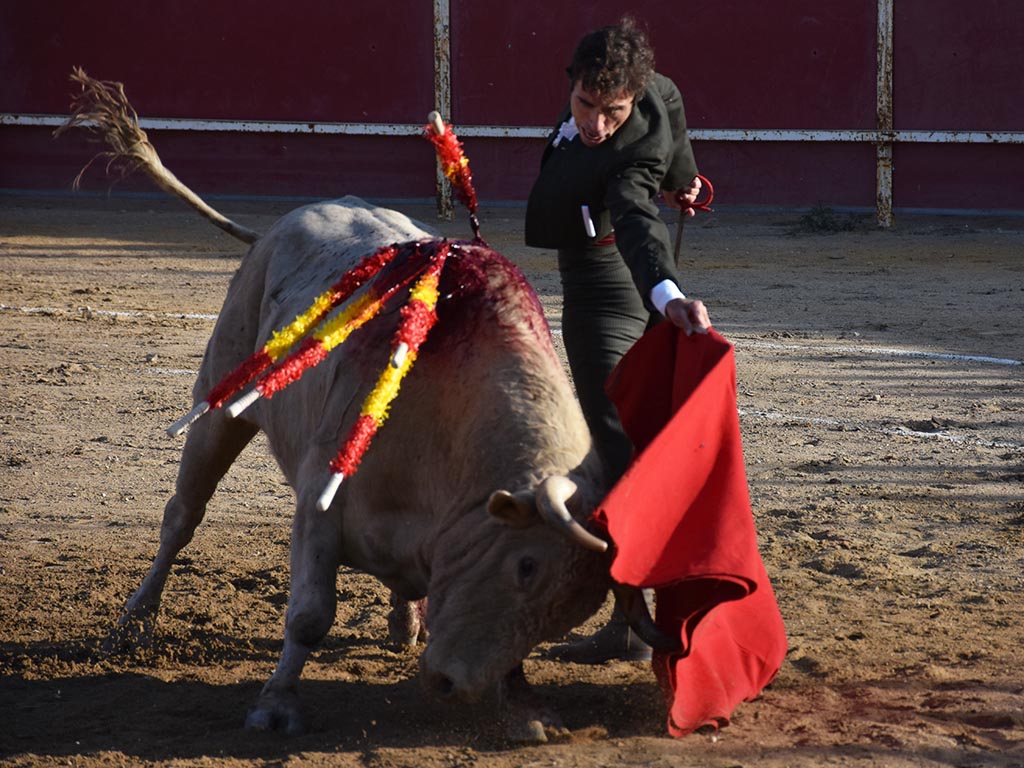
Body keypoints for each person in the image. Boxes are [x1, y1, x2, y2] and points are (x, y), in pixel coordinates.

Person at [525, 17, 711, 663]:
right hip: (611, 277)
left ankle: (631, 624)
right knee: (634, 439)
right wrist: (683, 173)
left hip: (606, 288)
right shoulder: (650, 86)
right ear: (573, 82)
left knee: (617, 447)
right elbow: (674, 99)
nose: (596, 125)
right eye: (585, 105)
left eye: (613, 112)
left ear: (631, 100)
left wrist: (667, 293)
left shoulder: (627, 154)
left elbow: (635, 223)